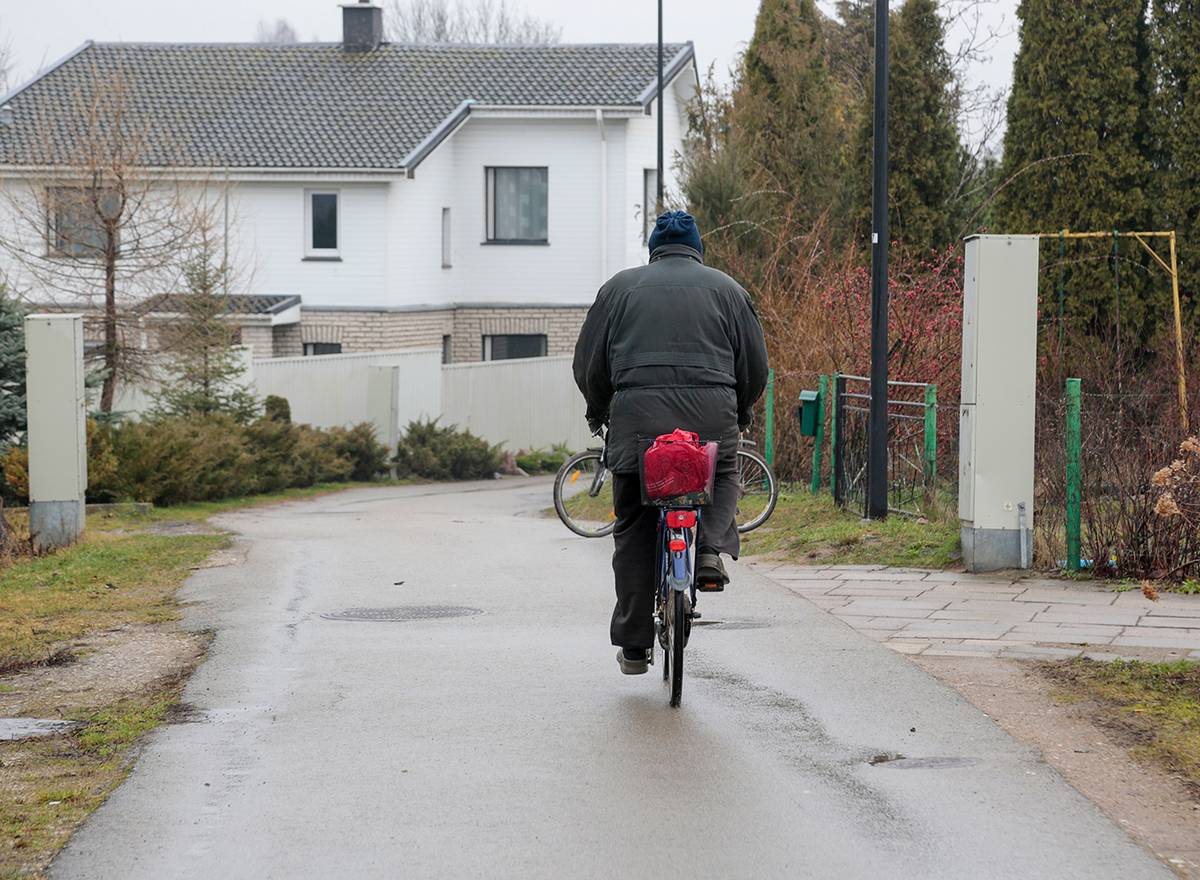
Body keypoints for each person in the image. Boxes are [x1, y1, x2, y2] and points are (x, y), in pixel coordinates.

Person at [572, 210, 769, 676]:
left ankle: (634, 645)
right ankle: (709, 552)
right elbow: (755, 367)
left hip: (637, 426)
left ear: (653, 250)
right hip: (710, 421)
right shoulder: (729, 291)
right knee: (723, 472)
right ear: (697, 249)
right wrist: (740, 410)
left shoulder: (618, 290)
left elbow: (589, 365)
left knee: (634, 526)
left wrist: (599, 411)